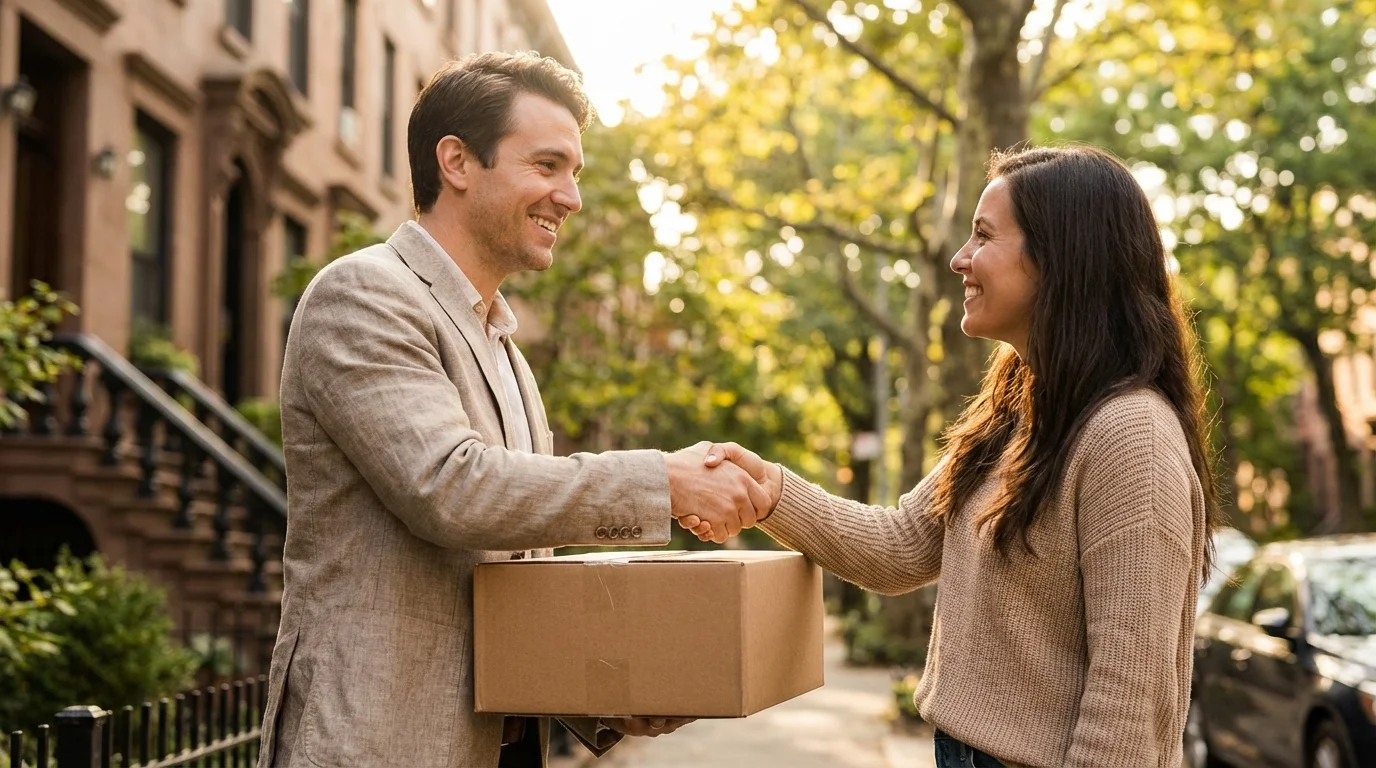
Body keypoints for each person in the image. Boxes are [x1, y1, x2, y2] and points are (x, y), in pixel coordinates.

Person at [255, 52, 771, 768]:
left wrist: (602, 699)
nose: (571, 196)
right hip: (379, 743)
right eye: (548, 166)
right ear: (458, 162)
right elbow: (452, 489)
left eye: (575, 174)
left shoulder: (504, 349)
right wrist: (666, 482)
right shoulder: (364, 296)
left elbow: (512, 569)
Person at [690, 145, 1219, 768]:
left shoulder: (1131, 438)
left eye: (983, 236)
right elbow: (900, 547)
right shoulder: (1023, 413)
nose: (958, 258)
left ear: (1060, 259)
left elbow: (1127, 709)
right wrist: (771, 490)